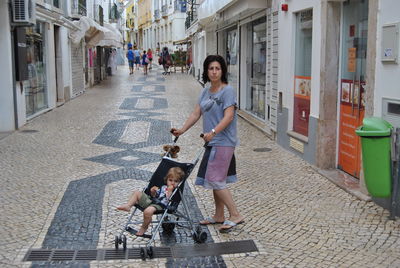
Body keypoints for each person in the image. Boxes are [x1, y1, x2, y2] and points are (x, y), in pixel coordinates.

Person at [171, 55, 244, 233]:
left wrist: (213, 132)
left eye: (217, 68)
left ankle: (235, 214)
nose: (214, 72)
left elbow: (229, 116)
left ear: (222, 71)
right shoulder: (205, 91)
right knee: (215, 180)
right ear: (206, 71)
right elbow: (196, 114)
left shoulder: (228, 91)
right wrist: (182, 130)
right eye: (211, 68)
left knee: (214, 179)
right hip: (212, 142)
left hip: (224, 141)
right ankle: (219, 215)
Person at [116, 167, 185, 236]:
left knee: (147, 211)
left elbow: (168, 199)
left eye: (175, 181)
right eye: (170, 180)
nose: (172, 183)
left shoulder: (175, 191)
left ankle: (144, 227)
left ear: (179, 183)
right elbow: (155, 196)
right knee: (137, 193)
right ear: (167, 179)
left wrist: (169, 191)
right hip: (152, 201)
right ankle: (128, 206)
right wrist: (153, 191)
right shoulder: (163, 187)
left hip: (161, 205)